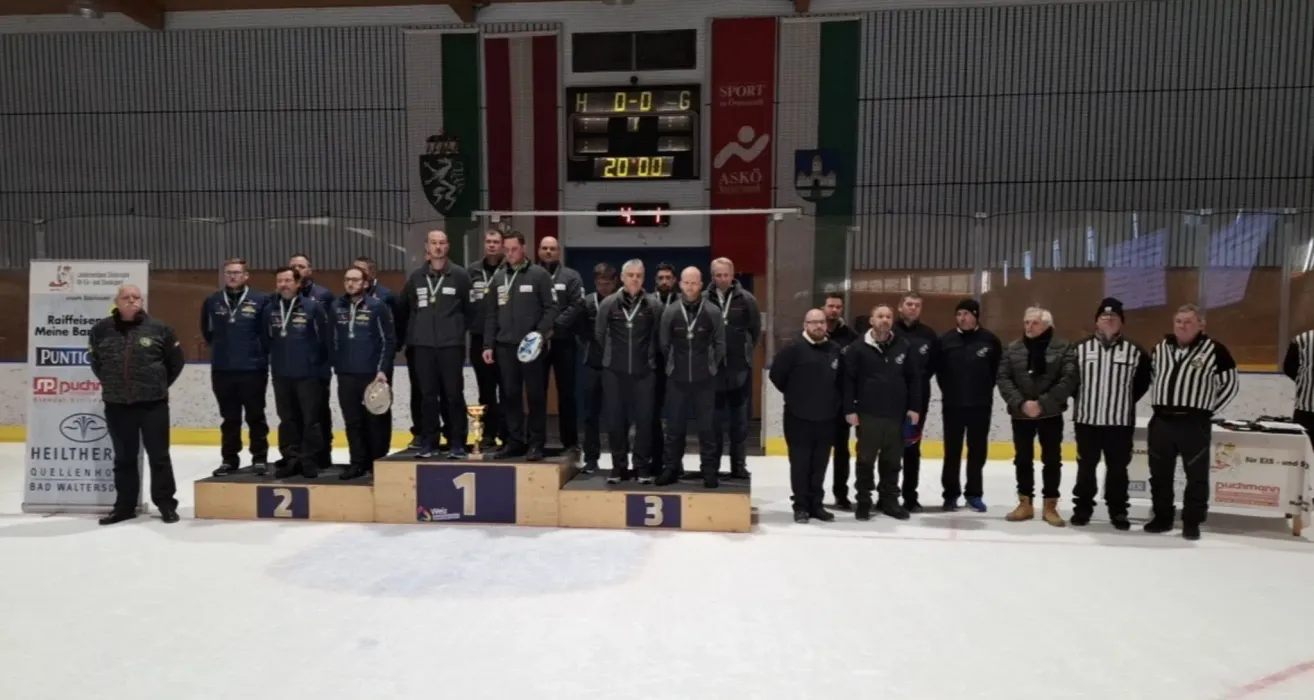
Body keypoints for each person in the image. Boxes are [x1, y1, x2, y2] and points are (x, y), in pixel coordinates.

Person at [88, 285, 186, 526]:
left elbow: (176, 362)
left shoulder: (159, 329)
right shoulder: (101, 330)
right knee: (123, 458)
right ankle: (125, 506)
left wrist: (158, 386)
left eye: (136, 297)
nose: (131, 301)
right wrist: (113, 384)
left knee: (159, 456)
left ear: (142, 300)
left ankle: (165, 504)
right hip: (117, 405)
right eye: (126, 297)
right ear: (116, 301)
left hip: (153, 405)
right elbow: (96, 362)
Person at [1145, 304, 1239, 540]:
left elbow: (1230, 385)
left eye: (1188, 321)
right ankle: (1162, 517)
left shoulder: (1216, 350)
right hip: (1162, 422)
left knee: (1196, 475)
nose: (1182, 325)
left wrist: (1207, 410)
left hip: (1194, 424)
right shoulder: (1160, 348)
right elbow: (1153, 378)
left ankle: (1192, 521)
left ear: (1201, 324)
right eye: (1178, 321)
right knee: (1160, 474)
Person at [1070, 298, 1152, 530]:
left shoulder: (1135, 351)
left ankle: (1118, 512)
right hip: (1087, 421)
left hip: (1119, 423)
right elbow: (1071, 381)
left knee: (1118, 470)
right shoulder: (1079, 348)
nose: (1108, 319)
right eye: (1103, 316)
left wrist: (1123, 401)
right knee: (1086, 467)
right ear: (1096, 321)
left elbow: (1142, 383)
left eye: (1113, 317)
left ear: (1121, 323)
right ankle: (1082, 509)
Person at [997, 307, 1079, 527]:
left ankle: (1050, 505)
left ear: (1047, 325)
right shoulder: (1013, 349)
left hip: (1050, 414)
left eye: (1034, 323)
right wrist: (1022, 403)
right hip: (1021, 414)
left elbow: (1068, 379)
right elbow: (1004, 379)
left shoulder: (1063, 348)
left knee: (1052, 460)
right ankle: (1025, 502)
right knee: (1022, 459)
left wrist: (1042, 404)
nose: (1029, 327)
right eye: (1026, 323)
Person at [397, 231, 473, 459]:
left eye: (442, 243)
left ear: (447, 247)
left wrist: (455, 331)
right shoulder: (416, 277)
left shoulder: (460, 275)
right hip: (423, 348)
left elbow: (470, 310)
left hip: (451, 347)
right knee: (427, 396)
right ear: (426, 248)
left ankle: (457, 441)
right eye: (433, 243)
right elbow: (408, 309)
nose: (438, 247)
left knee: (453, 395)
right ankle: (429, 442)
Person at [843, 303, 923, 521]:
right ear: (871, 320)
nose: (885, 320)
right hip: (868, 415)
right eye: (880, 316)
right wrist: (849, 408)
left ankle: (889, 500)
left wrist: (914, 407)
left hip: (895, 415)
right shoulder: (857, 348)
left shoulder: (903, 346)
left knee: (892, 461)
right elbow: (848, 381)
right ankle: (863, 501)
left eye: (888, 316)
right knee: (865, 459)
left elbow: (914, 379)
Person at [483, 231, 557, 461]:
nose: (510, 253)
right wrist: (488, 344)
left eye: (514, 249)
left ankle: (536, 443)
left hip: (531, 347)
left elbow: (552, 308)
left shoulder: (539, 275)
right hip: (505, 346)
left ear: (524, 248)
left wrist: (538, 335)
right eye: (507, 249)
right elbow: (491, 314)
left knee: (535, 395)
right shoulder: (498, 277)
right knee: (510, 394)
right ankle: (515, 441)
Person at [596, 259, 665, 483]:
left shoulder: (654, 305)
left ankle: (642, 468)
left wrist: (650, 361)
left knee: (645, 422)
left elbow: (659, 337)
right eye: (631, 275)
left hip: (644, 373)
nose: (635, 279)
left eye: (639, 275)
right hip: (614, 373)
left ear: (643, 278)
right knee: (615, 421)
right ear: (623, 278)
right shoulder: (608, 304)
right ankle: (618, 468)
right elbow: (600, 334)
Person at [770, 308, 841, 523]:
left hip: (826, 418)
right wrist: (795, 395)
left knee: (819, 465)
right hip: (798, 418)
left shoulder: (835, 349)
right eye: (813, 322)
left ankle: (816, 505)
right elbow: (776, 376)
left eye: (822, 322)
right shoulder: (793, 349)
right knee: (800, 464)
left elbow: (841, 381)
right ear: (805, 325)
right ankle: (800, 506)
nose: (818, 326)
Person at [201, 258, 271, 477]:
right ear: (224, 275)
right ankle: (229, 460)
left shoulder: (261, 300)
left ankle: (259, 458)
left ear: (246, 275)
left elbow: (266, 332)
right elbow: (207, 332)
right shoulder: (212, 301)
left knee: (255, 416)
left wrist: (255, 351)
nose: (232, 276)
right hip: (223, 368)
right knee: (229, 418)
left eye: (237, 272)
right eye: (229, 272)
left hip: (253, 368)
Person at [260, 266, 331, 479]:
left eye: (288, 281)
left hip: (308, 374)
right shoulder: (269, 309)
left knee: (311, 419)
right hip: (281, 374)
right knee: (287, 419)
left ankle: (309, 459)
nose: (284, 285)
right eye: (280, 281)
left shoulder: (312, 308)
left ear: (298, 283)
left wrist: (316, 364)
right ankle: (291, 459)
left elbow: (324, 339)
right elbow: (265, 339)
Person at [658, 266, 725, 488]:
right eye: (686, 282)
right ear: (680, 284)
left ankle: (709, 471)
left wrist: (710, 366)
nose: (690, 287)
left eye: (694, 283)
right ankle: (671, 469)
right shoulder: (671, 311)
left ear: (701, 284)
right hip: (677, 380)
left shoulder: (713, 312)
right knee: (674, 428)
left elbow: (720, 343)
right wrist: (673, 365)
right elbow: (664, 344)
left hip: (705, 380)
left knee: (707, 429)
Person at [331, 265, 397, 479]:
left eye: (356, 280)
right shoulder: (336, 307)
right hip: (346, 375)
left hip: (372, 375)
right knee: (353, 421)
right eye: (347, 279)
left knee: (375, 422)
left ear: (366, 283)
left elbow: (388, 340)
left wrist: (382, 370)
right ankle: (357, 462)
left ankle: (377, 462)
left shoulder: (377, 307)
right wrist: (337, 364)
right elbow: (331, 339)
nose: (351, 283)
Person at [936, 299, 1001, 512]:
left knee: (977, 451)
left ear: (975, 315)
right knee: (952, 451)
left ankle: (974, 494)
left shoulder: (990, 340)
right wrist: (951, 392)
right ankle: (951, 494)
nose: (961, 318)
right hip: (953, 406)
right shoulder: (946, 340)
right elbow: (941, 373)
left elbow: (994, 373)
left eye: (965, 313)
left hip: (980, 406)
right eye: (958, 314)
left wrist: (981, 391)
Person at [705, 257, 761, 479]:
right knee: (713, 423)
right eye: (717, 275)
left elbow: (755, 332)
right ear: (712, 277)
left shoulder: (747, 300)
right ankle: (713, 466)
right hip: (712, 372)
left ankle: (738, 466)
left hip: (739, 371)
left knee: (739, 423)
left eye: (725, 275)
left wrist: (744, 352)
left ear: (732, 274)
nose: (722, 279)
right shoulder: (703, 299)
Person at [891, 291, 938, 511]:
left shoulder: (928, 334)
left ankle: (910, 496)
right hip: (890, 397)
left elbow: (933, 366)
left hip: (918, 399)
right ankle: (887, 495)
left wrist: (916, 385)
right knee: (890, 448)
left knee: (912, 447)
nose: (913, 308)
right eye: (909, 304)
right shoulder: (889, 331)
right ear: (900, 307)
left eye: (917, 305)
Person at [538, 236, 585, 453]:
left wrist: (553, 326)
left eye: (552, 248)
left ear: (559, 252)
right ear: (538, 251)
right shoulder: (530, 275)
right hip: (536, 342)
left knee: (567, 392)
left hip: (564, 340)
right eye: (544, 248)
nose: (548, 252)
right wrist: (539, 330)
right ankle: (535, 441)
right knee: (537, 392)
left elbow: (576, 305)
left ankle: (570, 441)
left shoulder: (571, 276)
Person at [289, 253, 336, 468]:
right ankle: (298, 456)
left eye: (301, 265)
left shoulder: (324, 295)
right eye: (294, 266)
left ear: (310, 269)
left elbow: (330, 329)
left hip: (317, 366)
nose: (298, 269)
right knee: (295, 414)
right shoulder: (281, 298)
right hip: (292, 367)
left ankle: (322, 454)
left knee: (318, 412)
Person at [355, 255, 400, 459]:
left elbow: (398, 325)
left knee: (378, 408)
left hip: (380, 364)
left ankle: (380, 454)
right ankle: (361, 456)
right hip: (357, 364)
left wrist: (391, 354)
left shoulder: (386, 296)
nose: (357, 276)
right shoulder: (348, 298)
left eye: (362, 271)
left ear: (372, 273)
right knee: (357, 414)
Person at [466, 230, 506, 449]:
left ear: (502, 245)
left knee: (508, 388)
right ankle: (489, 433)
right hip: (479, 338)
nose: (492, 245)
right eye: (488, 241)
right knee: (486, 388)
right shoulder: (471, 270)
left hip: (504, 338)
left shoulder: (509, 269)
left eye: (496, 242)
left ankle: (508, 433)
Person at [819, 293, 859, 508]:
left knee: (842, 452)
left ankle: (841, 494)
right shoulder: (815, 333)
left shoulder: (851, 337)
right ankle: (813, 494)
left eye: (837, 307)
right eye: (830, 306)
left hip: (841, 405)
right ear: (823, 308)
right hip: (818, 405)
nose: (833, 310)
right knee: (818, 452)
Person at [579, 263, 618, 474]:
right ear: (595, 283)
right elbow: (579, 330)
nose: (604, 287)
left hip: (616, 367)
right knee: (590, 415)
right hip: (593, 366)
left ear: (615, 283)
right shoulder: (587, 303)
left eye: (607, 284)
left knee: (616, 415)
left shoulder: (620, 302)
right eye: (600, 284)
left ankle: (618, 459)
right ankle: (591, 457)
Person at [650, 262, 678, 469]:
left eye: (668, 278)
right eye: (660, 278)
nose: (664, 281)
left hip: (678, 365)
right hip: (654, 365)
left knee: (676, 416)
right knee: (653, 414)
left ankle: (675, 462)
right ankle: (657, 459)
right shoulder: (649, 302)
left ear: (674, 280)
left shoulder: (683, 302)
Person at [1282, 327, 1314, 449]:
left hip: (1305, 409)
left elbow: (1289, 367)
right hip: (1305, 409)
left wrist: (1305, 382)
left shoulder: (1302, 339)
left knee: (1302, 455)